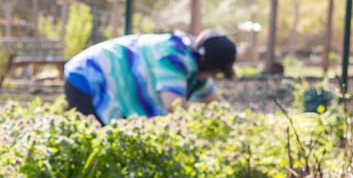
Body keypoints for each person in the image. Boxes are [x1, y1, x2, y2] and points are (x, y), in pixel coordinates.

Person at [62, 28, 237, 125]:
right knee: (97, 140)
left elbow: (216, 104)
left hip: (98, 78)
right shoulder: (174, 57)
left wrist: (238, 123)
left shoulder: (193, 67)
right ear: (205, 63)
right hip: (87, 78)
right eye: (216, 72)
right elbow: (174, 108)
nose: (214, 77)